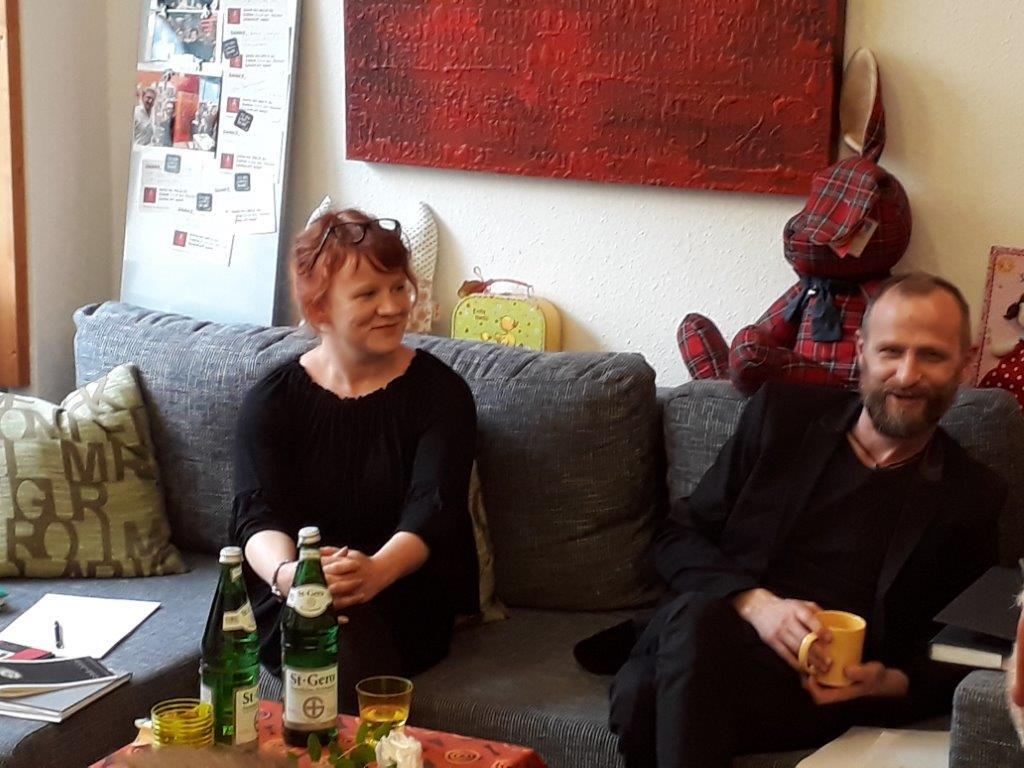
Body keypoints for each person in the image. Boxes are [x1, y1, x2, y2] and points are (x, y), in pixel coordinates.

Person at [606, 272, 1006, 767]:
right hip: (716, 637)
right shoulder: (781, 418)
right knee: (693, 625)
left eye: (932, 355)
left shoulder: (972, 493)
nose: (907, 375)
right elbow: (677, 535)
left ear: (963, 364)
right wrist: (756, 604)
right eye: (891, 351)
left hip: (822, 693)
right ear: (862, 351)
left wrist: (890, 681)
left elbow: (971, 643)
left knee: (641, 694)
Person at [231, 208, 479, 712]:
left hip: (402, 586)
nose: (392, 307)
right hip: (290, 590)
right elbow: (256, 513)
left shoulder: (440, 393)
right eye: (368, 294)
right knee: (318, 625)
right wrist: (290, 576)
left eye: (398, 288)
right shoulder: (272, 400)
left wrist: (375, 572)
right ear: (320, 308)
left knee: (341, 639)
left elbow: (434, 507)